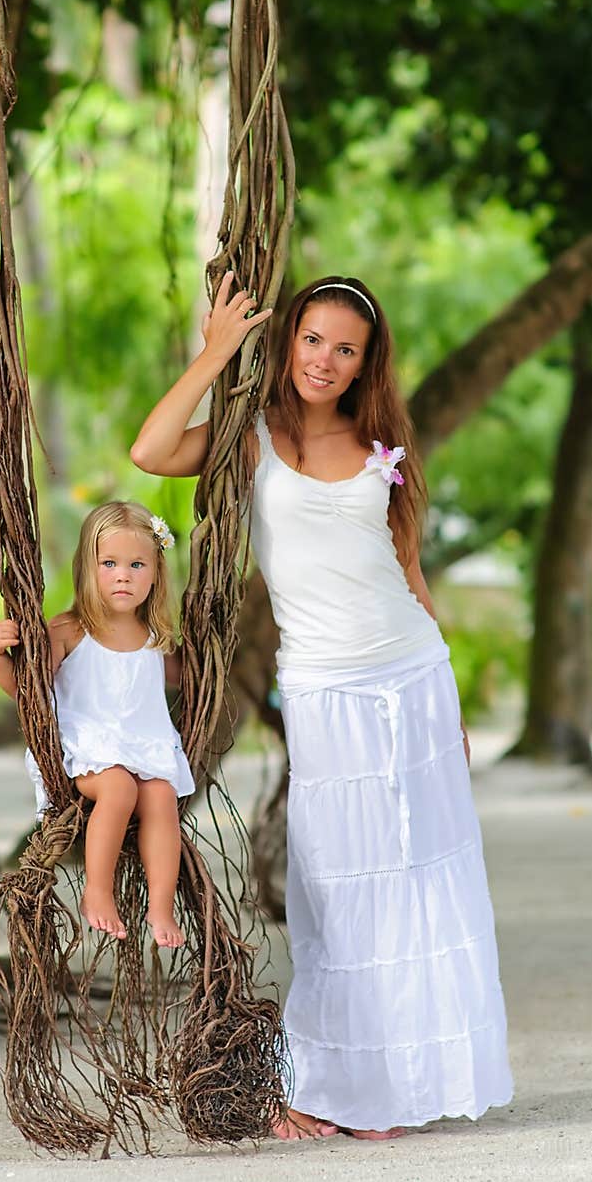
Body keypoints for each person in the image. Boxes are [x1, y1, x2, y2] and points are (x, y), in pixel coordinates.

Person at [130, 271, 514, 1137]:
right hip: (321, 685)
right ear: (290, 340)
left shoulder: (384, 446)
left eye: (346, 348)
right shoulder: (249, 436)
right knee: (336, 885)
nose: (325, 360)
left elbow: (408, 571)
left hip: (411, 674)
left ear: (366, 361)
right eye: (313, 340)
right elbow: (150, 452)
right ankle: (322, 1088)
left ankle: (394, 1091)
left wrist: (446, 693)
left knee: (419, 881)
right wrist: (214, 351)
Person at [0, 499, 195, 948]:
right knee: (119, 788)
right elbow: (28, 695)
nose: (124, 575)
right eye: (110, 563)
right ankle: (97, 892)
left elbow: (184, 678)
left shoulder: (157, 635)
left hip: (143, 743)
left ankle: (160, 907)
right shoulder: (68, 630)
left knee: (160, 796)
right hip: (86, 747)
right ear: (87, 568)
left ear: (156, 572)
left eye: (137, 564)